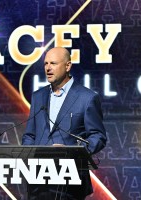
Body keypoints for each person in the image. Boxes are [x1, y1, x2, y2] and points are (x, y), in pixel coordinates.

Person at [22, 47, 107, 199]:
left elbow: (98, 136)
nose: (48, 68)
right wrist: (29, 157)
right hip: (38, 182)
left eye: (53, 63)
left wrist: (73, 151)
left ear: (67, 66)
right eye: (46, 64)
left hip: (69, 182)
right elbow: (29, 135)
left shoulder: (87, 98)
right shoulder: (38, 96)